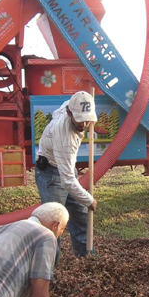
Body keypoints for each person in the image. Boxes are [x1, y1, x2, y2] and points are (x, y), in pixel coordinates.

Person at [35, 91, 98, 258]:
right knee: (54, 224)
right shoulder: (65, 138)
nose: (84, 124)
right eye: (80, 119)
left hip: (66, 169)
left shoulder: (67, 106)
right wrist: (89, 200)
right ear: (69, 113)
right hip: (51, 172)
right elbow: (68, 181)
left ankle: (86, 257)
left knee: (80, 213)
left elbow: (69, 176)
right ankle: (49, 271)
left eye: (87, 118)